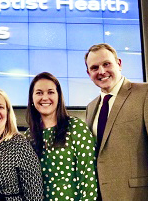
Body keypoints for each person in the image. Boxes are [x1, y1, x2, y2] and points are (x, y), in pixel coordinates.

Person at [84, 43, 148, 200]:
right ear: (88, 73)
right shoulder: (91, 107)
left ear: (119, 64)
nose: (101, 71)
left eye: (106, 64)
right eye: (94, 68)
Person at [24, 72, 97, 200]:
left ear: (59, 97)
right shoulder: (29, 136)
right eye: (39, 93)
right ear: (32, 99)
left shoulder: (75, 127)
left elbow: (88, 178)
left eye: (50, 92)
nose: (45, 97)